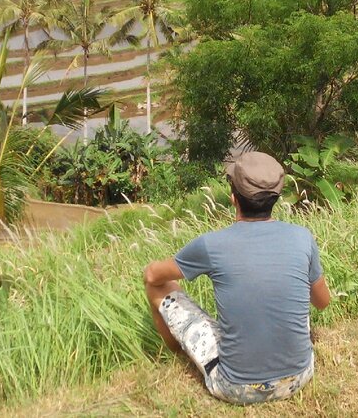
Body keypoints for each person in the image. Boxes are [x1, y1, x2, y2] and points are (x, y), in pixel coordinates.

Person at [142, 151, 331, 405]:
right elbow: (322, 302)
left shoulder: (211, 244)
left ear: (234, 198)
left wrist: (150, 268)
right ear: (276, 197)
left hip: (236, 388)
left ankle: (175, 351)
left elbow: (154, 275)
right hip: (299, 376)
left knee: (160, 286)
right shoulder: (302, 237)